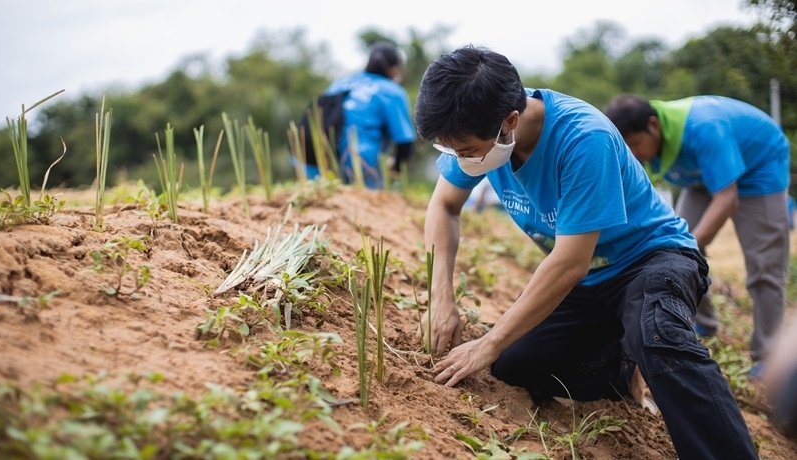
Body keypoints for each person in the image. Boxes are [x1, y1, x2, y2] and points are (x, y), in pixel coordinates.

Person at [416, 45, 757, 459]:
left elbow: (570, 261)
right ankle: (620, 369)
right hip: (593, 277)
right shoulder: (476, 131)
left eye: (468, 151)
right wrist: (441, 299)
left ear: (510, 122)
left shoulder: (583, 138)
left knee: (656, 334)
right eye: (454, 152)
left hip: (652, 258)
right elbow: (444, 205)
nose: (462, 161)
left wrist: (489, 341)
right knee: (516, 365)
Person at [603, 94, 791, 378]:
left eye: (637, 145)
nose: (636, 153)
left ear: (653, 125)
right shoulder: (659, 140)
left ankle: (768, 352)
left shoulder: (705, 128)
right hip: (701, 177)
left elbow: (727, 199)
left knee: (764, 266)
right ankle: (704, 323)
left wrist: (690, 243)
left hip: (759, 169)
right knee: (671, 249)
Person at [305, 41, 416, 189]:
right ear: (395, 69)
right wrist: (396, 167)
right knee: (366, 204)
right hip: (360, 161)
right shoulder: (391, 91)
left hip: (318, 155)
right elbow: (405, 141)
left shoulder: (341, 82)